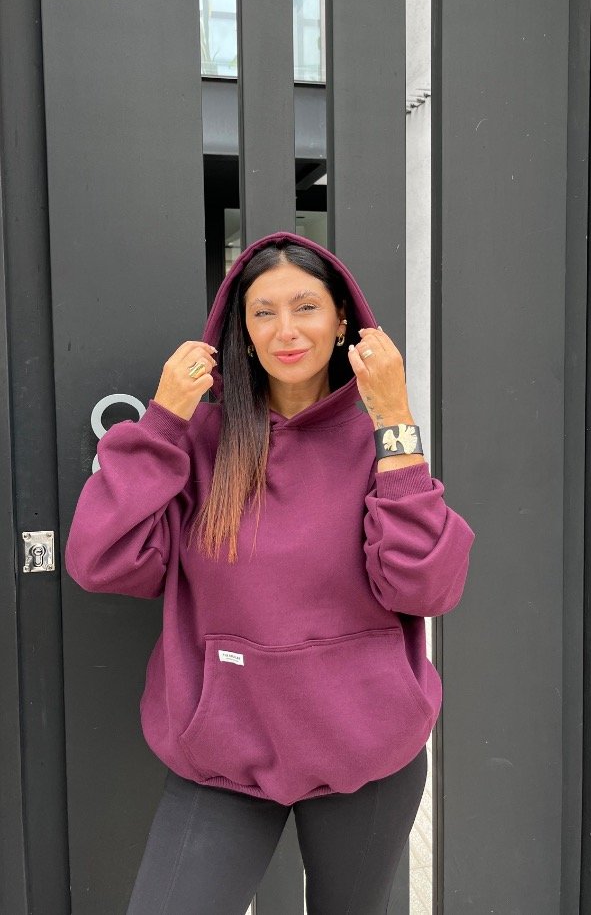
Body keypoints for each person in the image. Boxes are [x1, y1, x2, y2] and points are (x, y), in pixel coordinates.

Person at [65, 230, 476, 915]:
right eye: (264, 312)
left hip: (364, 750)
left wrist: (395, 417)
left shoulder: (379, 441)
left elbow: (426, 587)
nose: (286, 330)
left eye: (306, 307)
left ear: (342, 320)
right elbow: (100, 560)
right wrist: (163, 421)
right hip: (224, 755)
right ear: (243, 330)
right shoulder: (202, 441)